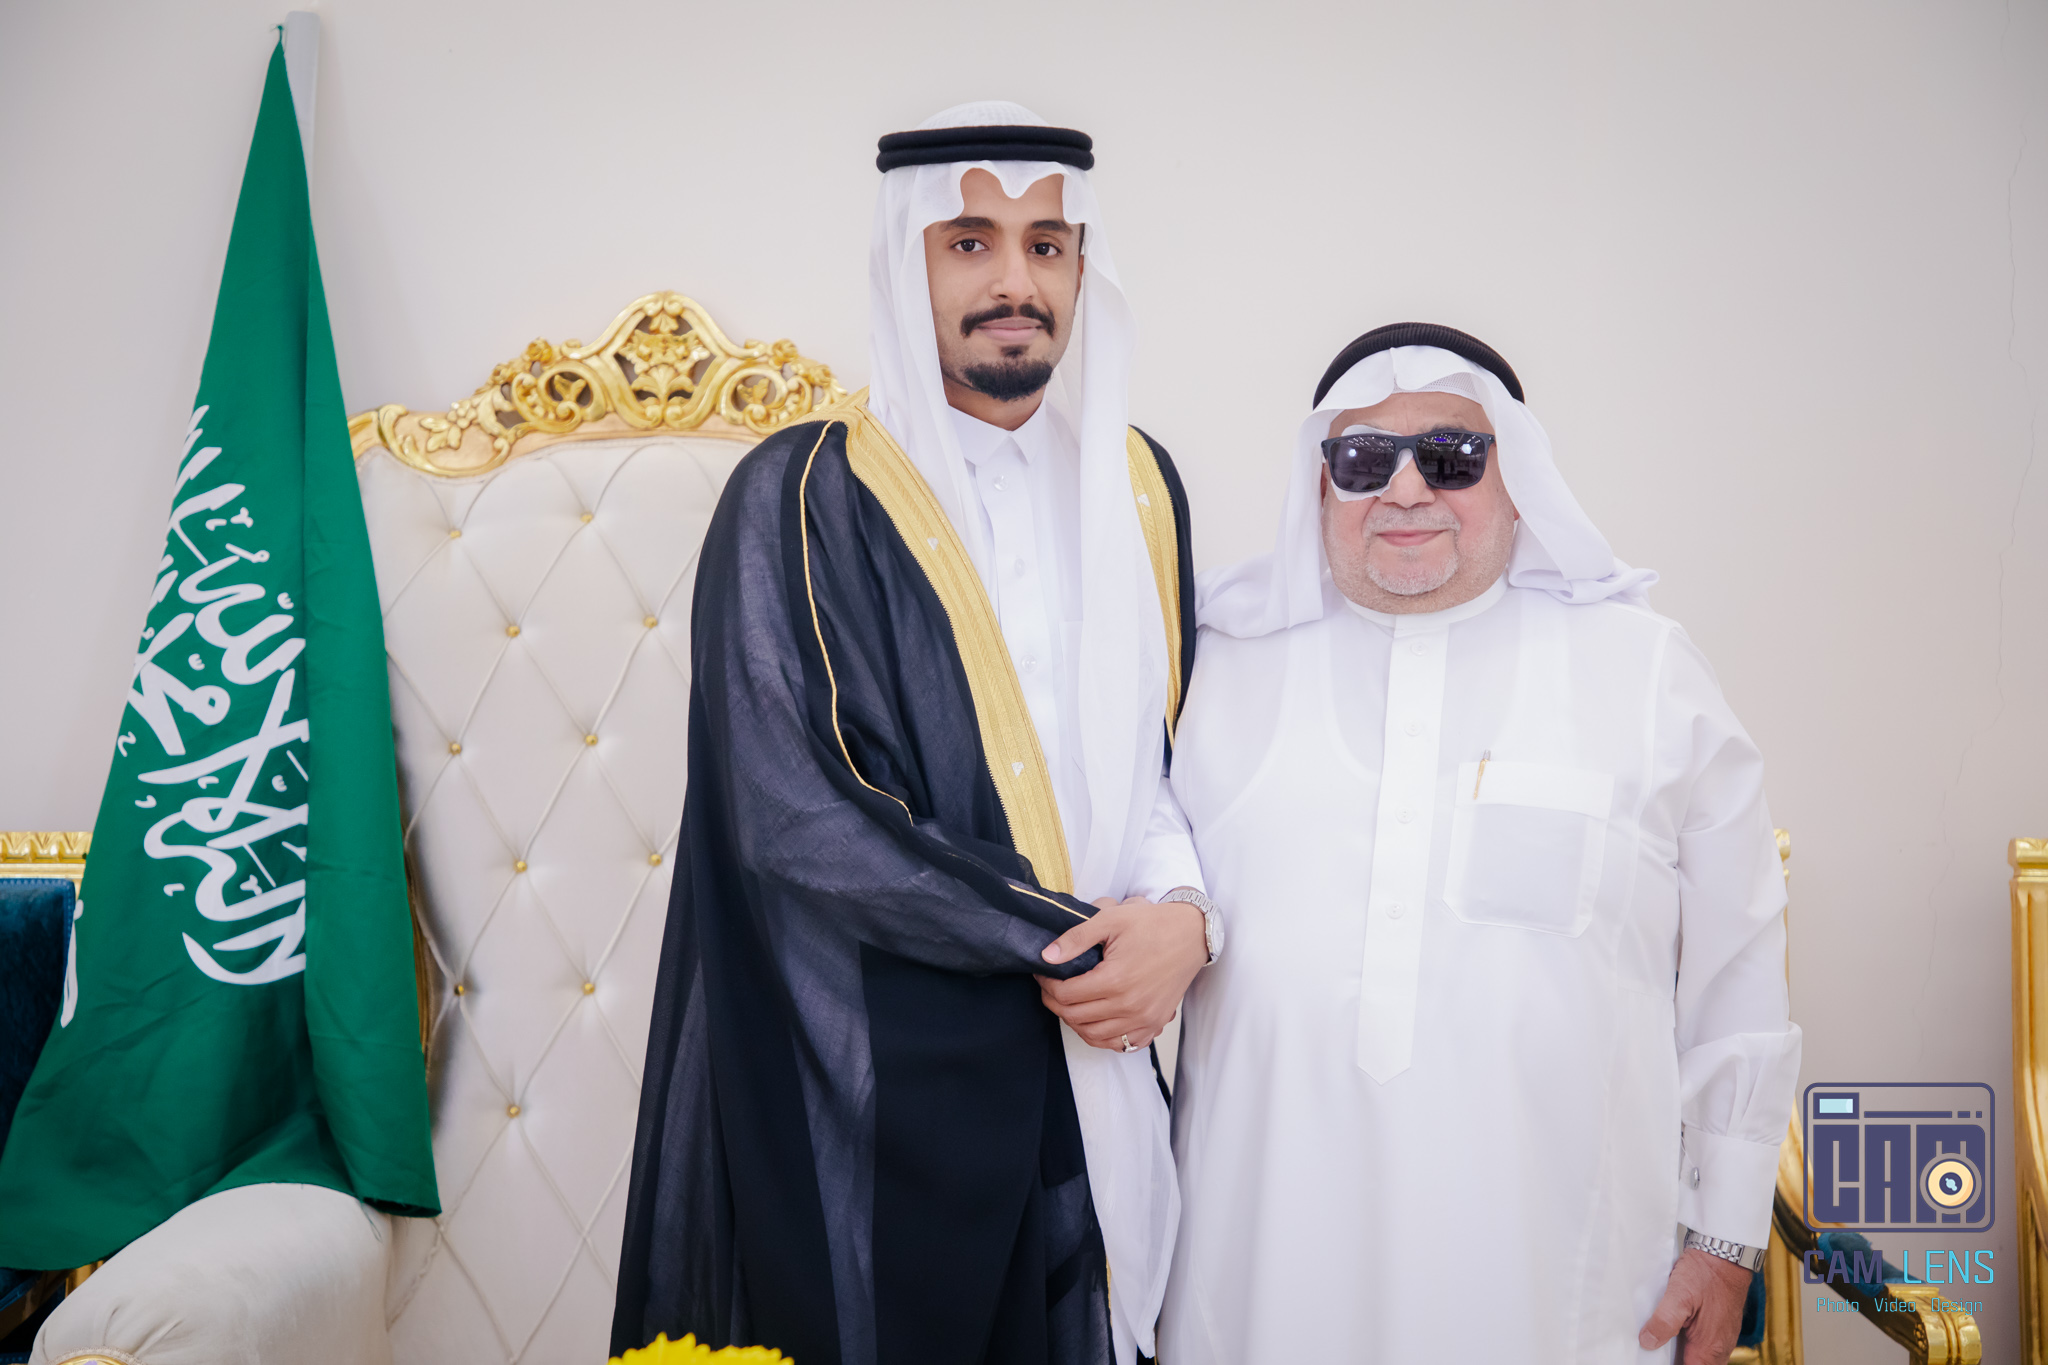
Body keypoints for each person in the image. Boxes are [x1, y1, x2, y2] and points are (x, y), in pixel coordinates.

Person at [612, 103, 1219, 1365]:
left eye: (1046, 246)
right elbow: (796, 816)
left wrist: (1180, 918)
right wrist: (1071, 940)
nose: (1014, 283)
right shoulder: (800, 492)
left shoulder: (1138, 487)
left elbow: (1162, 763)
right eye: (969, 242)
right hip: (877, 1092)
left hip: (1107, 1066)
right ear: (907, 260)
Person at [1161, 324, 1801, 1364]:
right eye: (1363, 458)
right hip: (1259, 1274)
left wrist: (1725, 1240)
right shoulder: (1211, 674)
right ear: (1320, 483)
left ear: (1519, 482)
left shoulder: (1644, 675)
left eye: (1452, 456)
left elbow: (1738, 976)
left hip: (1563, 1287)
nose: (1405, 488)